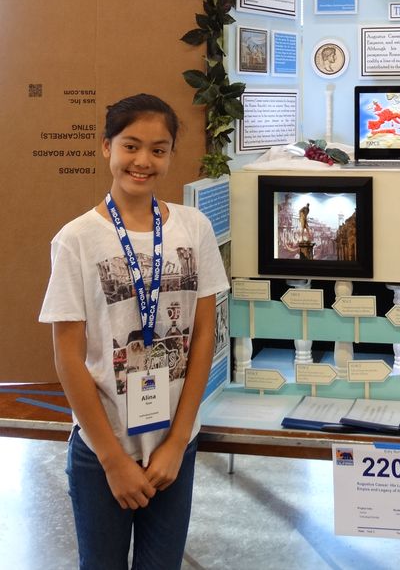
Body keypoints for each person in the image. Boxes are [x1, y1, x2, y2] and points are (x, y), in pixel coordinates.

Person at [39, 93, 228, 569]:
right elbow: (67, 355)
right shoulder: (76, 240)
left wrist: (179, 442)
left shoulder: (194, 228)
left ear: (169, 155)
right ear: (106, 147)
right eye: (131, 146)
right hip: (103, 449)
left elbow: (205, 332)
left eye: (158, 149)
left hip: (173, 449)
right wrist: (112, 460)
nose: (143, 161)